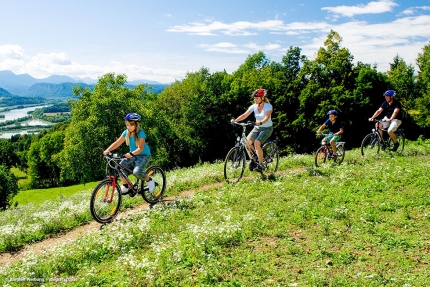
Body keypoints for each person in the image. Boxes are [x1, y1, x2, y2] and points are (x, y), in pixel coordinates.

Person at [103, 112, 155, 195]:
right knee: (119, 167)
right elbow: (117, 143)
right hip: (132, 155)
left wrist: (131, 154)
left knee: (137, 172)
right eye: (127, 125)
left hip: (143, 155)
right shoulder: (126, 132)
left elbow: (140, 148)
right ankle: (126, 186)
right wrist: (107, 150)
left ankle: (150, 180)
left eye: (131, 125)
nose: (129, 127)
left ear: (136, 124)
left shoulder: (141, 133)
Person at [231, 88, 273, 172]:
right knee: (247, 143)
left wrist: (260, 122)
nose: (255, 99)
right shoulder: (254, 106)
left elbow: (267, 117)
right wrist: (235, 120)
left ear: (262, 98)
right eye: (254, 98)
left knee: (257, 143)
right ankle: (255, 158)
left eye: (256, 98)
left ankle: (261, 165)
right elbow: (244, 115)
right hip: (257, 127)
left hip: (267, 128)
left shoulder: (268, 106)